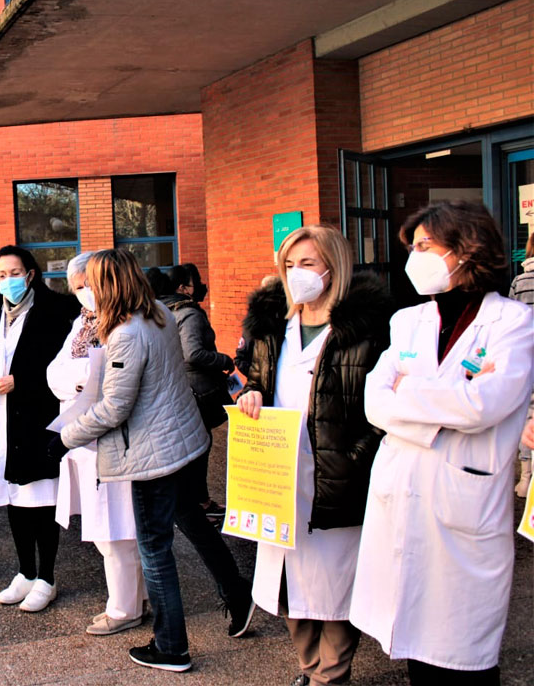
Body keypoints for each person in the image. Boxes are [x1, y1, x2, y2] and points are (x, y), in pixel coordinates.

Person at [349, 202, 534, 685]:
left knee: (463, 657)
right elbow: (373, 403)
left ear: (466, 250)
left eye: (427, 246)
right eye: (413, 247)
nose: (415, 257)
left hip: (464, 501)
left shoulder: (513, 322)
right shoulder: (407, 321)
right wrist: (441, 404)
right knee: (416, 647)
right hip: (402, 495)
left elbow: (484, 407)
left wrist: (406, 394)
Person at [54, 249, 255, 673]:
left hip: (151, 453)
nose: (85, 292)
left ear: (109, 283)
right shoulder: (159, 312)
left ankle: (171, 646)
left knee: (155, 550)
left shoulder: (125, 332)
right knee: (195, 524)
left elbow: (114, 407)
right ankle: (237, 594)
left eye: (89, 283)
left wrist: (65, 437)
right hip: (180, 439)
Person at [237, 225, 392, 686]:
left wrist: (354, 456)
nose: (296, 274)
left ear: (334, 267)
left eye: (307, 263)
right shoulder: (272, 328)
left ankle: (332, 675)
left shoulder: (366, 331)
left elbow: (383, 410)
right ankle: (310, 667)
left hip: (337, 474)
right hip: (278, 474)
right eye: (289, 265)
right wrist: (251, 395)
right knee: (286, 582)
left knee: (335, 583)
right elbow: (258, 382)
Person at [0, 245, 79, 612]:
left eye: (14, 273)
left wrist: (22, 381)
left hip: (36, 419)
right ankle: (25, 572)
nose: (7, 281)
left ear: (31, 274)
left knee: (39, 498)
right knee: (13, 498)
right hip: (0, 417)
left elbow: (63, 366)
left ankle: (46, 578)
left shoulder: (55, 311)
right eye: (1, 274)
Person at [48, 252, 146, 634]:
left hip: (114, 438)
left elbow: (106, 383)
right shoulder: (83, 322)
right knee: (105, 527)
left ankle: (124, 608)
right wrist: (79, 380)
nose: (84, 294)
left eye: (88, 285)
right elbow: (54, 373)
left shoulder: (127, 324)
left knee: (117, 528)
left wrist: (79, 379)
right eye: (77, 289)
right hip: (84, 439)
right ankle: (135, 598)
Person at [168, 264, 234, 526]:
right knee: (200, 447)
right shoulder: (189, 314)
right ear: (183, 288)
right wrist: (223, 359)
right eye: (196, 282)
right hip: (197, 391)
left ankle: (193, 502)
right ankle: (202, 504)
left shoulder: (162, 311)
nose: (201, 286)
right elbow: (193, 353)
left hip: (178, 390)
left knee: (189, 449)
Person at [508, 231, 534, 496]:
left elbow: (513, 319)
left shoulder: (520, 280)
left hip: (529, 354)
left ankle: (526, 477)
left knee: (529, 414)